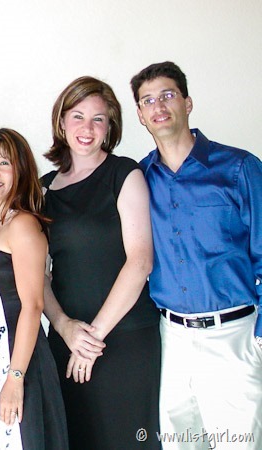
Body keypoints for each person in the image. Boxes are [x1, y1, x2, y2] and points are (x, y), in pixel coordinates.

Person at [131, 61, 262, 449]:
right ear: (140, 115)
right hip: (171, 341)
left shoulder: (238, 168)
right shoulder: (139, 179)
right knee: (180, 443)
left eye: (168, 95)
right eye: (148, 100)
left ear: (187, 103)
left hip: (234, 336)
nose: (158, 106)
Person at [41, 76, 161, 449]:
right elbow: (38, 275)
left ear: (110, 126)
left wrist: (91, 339)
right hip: (67, 341)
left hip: (125, 340)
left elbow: (140, 262)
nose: (87, 128)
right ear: (62, 122)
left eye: (98, 119)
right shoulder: (42, 189)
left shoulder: (125, 174)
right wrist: (64, 327)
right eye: (78, 116)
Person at [0, 128, 69, 449]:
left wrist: (15, 379)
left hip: (18, 365)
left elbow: (33, 306)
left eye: (3, 163)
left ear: (20, 170)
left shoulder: (23, 224)